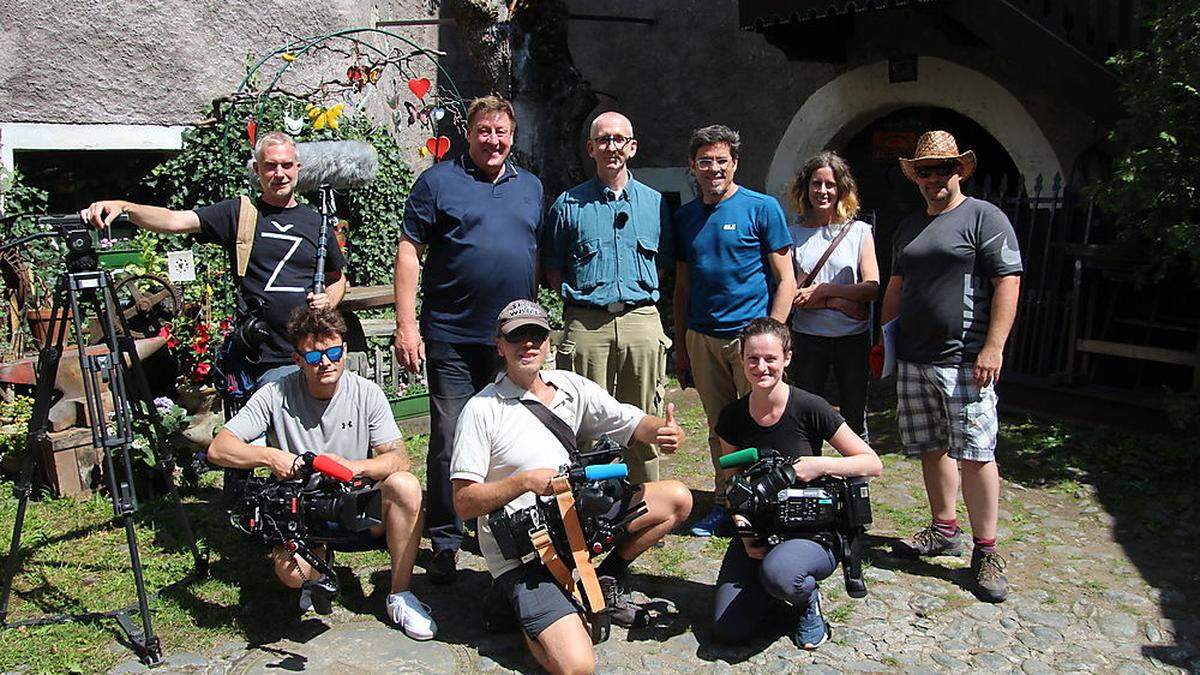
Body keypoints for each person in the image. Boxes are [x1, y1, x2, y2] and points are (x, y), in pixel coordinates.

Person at [451, 300, 693, 675]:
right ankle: (518, 608)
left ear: (549, 342)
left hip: (574, 522)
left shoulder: (570, 387)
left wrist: (661, 432)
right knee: (578, 666)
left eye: (536, 335)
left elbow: (630, 422)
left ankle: (603, 581)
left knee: (676, 498)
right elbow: (464, 502)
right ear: (499, 345)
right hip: (526, 549)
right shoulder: (482, 410)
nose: (527, 345)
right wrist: (524, 482)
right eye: (517, 337)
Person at [206, 307, 434, 639]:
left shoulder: (365, 392)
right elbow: (219, 448)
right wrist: (270, 457)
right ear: (297, 358)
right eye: (313, 355)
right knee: (292, 573)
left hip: (355, 503)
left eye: (332, 352)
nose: (324, 362)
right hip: (304, 512)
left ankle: (399, 594)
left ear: (344, 350)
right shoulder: (275, 394)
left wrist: (351, 467)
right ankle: (314, 578)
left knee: (406, 486)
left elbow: (398, 458)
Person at [393, 95, 544, 584]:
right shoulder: (438, 182)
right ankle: (445, 539)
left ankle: (498, 530)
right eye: (483, 131)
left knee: (511, 437)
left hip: (511, 340)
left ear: (512, 136)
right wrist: (407, 324)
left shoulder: (532, 187)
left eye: (501, 131)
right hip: (452, 336)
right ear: (469, 133)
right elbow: (410, 251)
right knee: (452, 438)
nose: (492, 140)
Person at [82, 131, 347, 386]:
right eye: (271, 166)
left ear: (298, 168)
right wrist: (125, 207)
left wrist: (328, 301)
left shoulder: (317, 223)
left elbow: (338, 280)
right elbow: (175, 220)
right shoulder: (239, 214)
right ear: (257, 170)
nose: (280, 174)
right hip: (264, 357)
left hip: (312, 352)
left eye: (287, 165)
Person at [880, 130, 1022, 603]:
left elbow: (1007, 282)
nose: (934, 177)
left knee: (977, 453)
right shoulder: (909, 226)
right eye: (925, 170)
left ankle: (986, 549)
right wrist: (886, 340)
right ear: (915, 175)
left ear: (960, 170)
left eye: (944, 168)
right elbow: (897, 287)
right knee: (931, 445)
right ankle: (944, 529)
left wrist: (993, 346)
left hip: (965, 360)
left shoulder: (984, 217)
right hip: (915, 357)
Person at [710, 318, 882, 649]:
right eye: (753, 359)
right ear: (742, 360)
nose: (761, 367)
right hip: (759, 530)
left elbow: (872, 463)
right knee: (726, 629)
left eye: (770, 358)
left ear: (787, 358)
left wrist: (820, 464)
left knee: (782, 575)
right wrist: (746, 538)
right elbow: (734, 491)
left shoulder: (809, 407)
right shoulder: (731, 418)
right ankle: (773, 588)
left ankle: (805, 601)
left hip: (811, 532)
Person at [672, 124, 797, 536]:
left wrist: (772, 337)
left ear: (735, 163)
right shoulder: (686, 217)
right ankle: (727, 502)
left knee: (762, 423)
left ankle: (766, 502)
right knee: (720, 427)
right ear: (693, 166)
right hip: (703, 337)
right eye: (704, 161)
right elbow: (683, 285)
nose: (713, 169)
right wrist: (682, 344)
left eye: (721, 161)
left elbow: (786, 280)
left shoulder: (762, 208)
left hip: (751, 342)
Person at [544, 111, 673, 484]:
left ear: (631, 147)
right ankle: (590, 511)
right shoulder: (568, 205)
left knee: (645, 415)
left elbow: (663, 264)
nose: (611, 147)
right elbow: (553, 268)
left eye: (619, 139)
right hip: (587, 324)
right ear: (591, 148)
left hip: (641, 321)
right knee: (583, 420)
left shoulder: (655, 204)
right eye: (603, 140)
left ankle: (648, 503)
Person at [787, 152, 879, 440]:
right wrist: (839, 303)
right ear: (806, 187)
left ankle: (855, 477)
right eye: (817, 184)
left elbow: (872, 287)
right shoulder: (793, 234)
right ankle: (808, 473)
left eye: (830, 184)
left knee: (853, 413)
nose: (823, 191)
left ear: (841, 189)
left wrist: (826, 292)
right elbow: (790, 293)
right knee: (807, 411)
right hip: (808, 337)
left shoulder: (859, 232)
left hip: (852, 338)